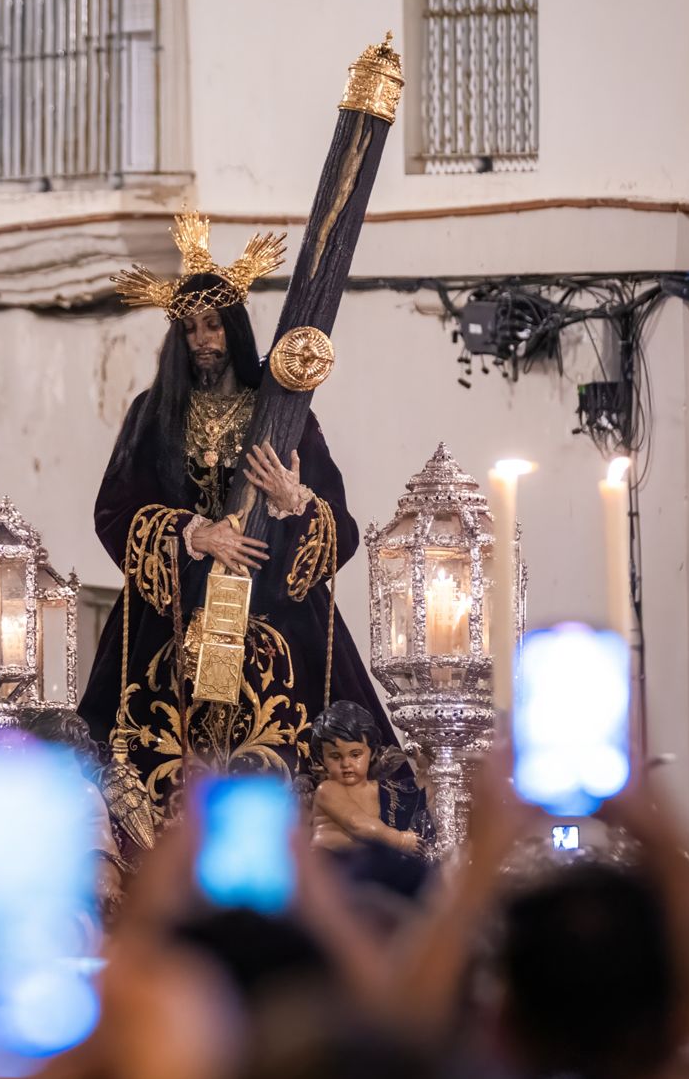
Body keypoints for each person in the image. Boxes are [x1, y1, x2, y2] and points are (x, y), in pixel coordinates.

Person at [79, 209, 395, 820]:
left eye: (213, 325)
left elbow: (341, 525)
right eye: (190, 329)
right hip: (174, 610)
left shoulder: (285, 415)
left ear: (235, 329)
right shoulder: (154, 413)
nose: (203, 340)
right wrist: (194, 533)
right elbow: (115, 509)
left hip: (274, 604)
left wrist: (294, 502)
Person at [302, 699, 433, 860]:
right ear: (322, 759)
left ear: (372, 753)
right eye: (335, 756)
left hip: (364, 866)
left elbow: (413, 799)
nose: (346, 764)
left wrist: (426, 774)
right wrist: (400, 840)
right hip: (329, 864)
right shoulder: (328, 790)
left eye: (355, 755)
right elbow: (357, 823)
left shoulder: (380, 790)